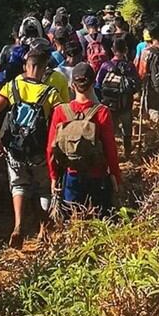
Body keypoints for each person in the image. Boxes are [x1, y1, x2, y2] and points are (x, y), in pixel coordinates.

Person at [0, 48, 65, 248]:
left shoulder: (12, 86)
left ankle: (18, 224)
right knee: (43, 190)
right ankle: (42, 231)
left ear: (25, 67)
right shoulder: (51, 93)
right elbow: (62, 124)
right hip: (40, 150)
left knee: (19, 185)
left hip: (15, 150)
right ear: (45, 69)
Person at [47, 63, 121, 218]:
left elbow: (51, 149)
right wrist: (115, 174)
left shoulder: (60, 111)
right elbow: (110, 148)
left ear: (72, 85)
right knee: (99, 218)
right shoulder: (102, 112)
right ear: (93, 83)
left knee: (73, 219)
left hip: (71, 175)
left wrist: (54, 176)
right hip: (97, 175)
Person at [96, 36, 140, 157]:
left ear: (112, 49)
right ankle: (127, 151)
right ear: (125, 49)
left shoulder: (105, 66)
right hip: (126, 104)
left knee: (110, 131)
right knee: (127, 129)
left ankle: (110, 154)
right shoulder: (130, 66)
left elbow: (98, 84)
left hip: (110, 104)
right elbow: (136, 85)